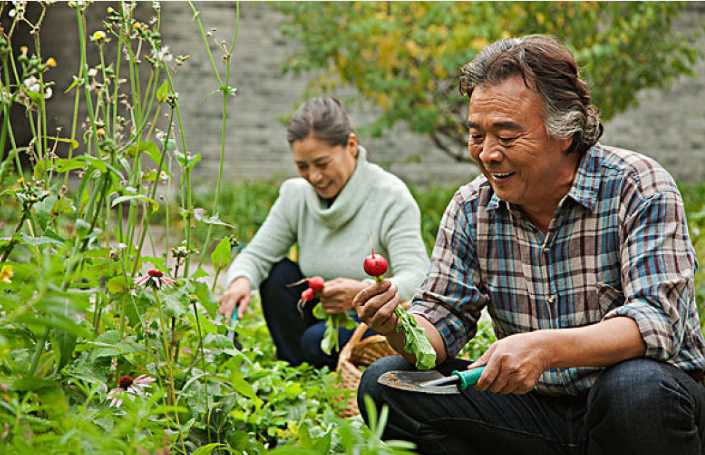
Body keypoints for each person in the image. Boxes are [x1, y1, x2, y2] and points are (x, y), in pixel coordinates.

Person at [354, 35, 705, 455]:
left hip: (642, 408)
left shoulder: (638, 186)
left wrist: (545, 348)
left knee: (634, 388)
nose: (487, 154)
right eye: (476, 135)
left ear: (565, 131)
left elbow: (656, 323)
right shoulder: (472, 207)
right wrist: (398, 325)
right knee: (387, 383)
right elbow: (440, 321)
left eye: (506, 134)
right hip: (537, 413)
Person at [218, 97, 429, 370]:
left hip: (369, 320)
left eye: (322, 163)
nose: (314, 176)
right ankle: (296, 371)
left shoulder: (391, 197)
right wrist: (240, 282)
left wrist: (364, 292)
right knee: (277, 274)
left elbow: (417, 277)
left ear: (351, 145)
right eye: (303, 166)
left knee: (315, 341)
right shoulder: (296, 195)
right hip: (317, 315)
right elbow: (257, 255)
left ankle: (318, 365)